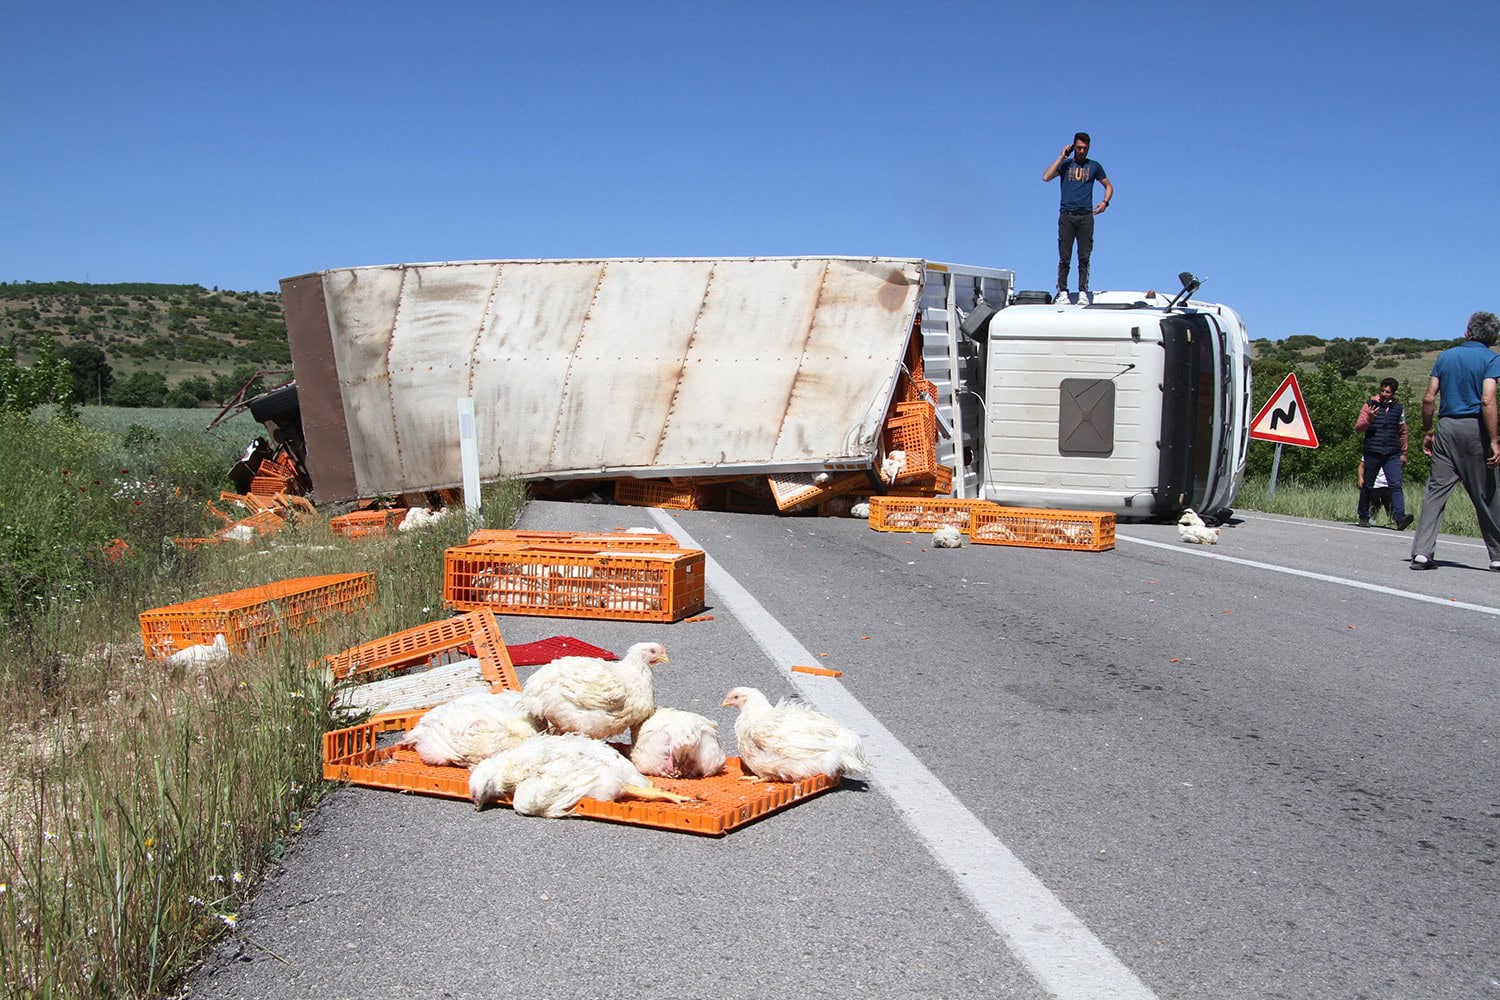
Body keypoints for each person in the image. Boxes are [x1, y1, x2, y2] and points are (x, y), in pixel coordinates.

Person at [1408, 311, 1500, 570]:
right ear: (1493, 337)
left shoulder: (1445, 356)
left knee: (1436, 492)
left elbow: (1429, 398)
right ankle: (1497, 555)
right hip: (1476, 429)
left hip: (1446, 427)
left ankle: (1422, 552)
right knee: (1488, 493)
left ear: (1466, 332)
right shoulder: (1492, 359)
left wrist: (1428, 431)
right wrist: (1494, 440)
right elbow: (1488, 400)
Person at [1043, 132, 1113, 303]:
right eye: (1079, 147)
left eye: (1085, 148)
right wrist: (1062, 157)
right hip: (1067, 215)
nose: (1082, 151)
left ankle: (1083, 291)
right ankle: (1062, 291)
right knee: (1064, 256)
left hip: (1086, 216)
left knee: (1084, 256)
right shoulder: (1066, 165)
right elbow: (1046, 177)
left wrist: (1105, 202)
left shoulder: (1094, 166)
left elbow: (1108, 185)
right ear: (1073, 147)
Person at [1354, 377, 1412, 529]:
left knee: (1396, 484)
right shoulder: (1369, 405)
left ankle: (1400, 518)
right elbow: (1358, 428)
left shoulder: (1398, 408)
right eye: (1382, 390)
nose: (1384, 394)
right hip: (1373, 450)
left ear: (1393, 393)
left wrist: (1404, 452)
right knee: (1368, 485)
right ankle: (1363, 515)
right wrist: (1369, 419)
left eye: (1387, 392)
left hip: (1392, 452)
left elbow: (1402, 431)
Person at [1356, 458, 1394, 522]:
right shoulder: (1371, 453)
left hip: (1388, 486)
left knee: (1392, 512)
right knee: (1372, 512)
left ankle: (1395, 522)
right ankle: (1368, 521)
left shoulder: (1393, 454)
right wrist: (1360, 478)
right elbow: (1361, 465)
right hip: (1374, 486)